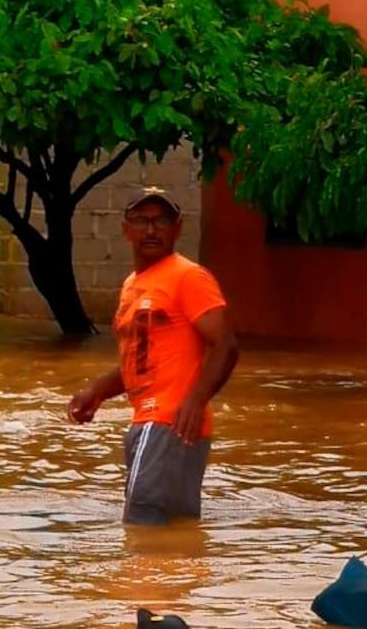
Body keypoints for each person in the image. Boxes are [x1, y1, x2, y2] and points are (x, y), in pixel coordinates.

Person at [67, 186, 239, 525]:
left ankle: (141, 581)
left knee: (141, 523)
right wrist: (97, 391)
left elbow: (226, 345)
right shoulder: (133, 284)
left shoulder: (188, 277)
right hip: (154, 423)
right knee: (173, 531)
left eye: (161, 221)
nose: (151, 230)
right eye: (141, 221)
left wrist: (194, 400)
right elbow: (141, 359)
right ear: (125, 228)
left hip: (166, 421)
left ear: (178, 228)